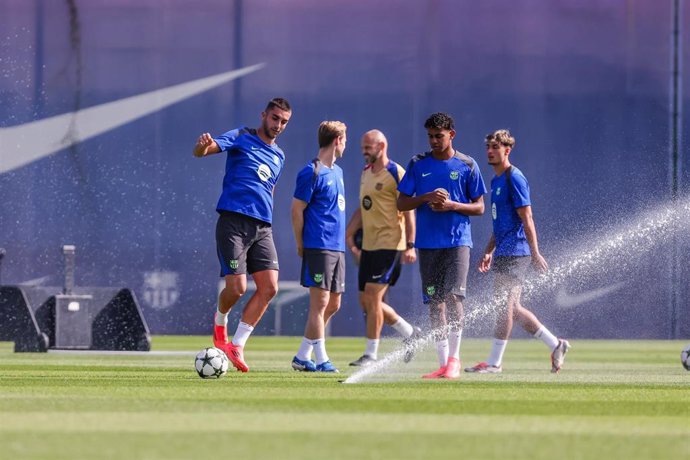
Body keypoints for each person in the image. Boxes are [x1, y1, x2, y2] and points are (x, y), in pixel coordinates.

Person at [192, 97, 292, 373]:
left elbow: (268, 188)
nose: (278, 125)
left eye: (284, 121)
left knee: (269, 287)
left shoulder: (280, 156)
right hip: (233, 222)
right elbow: (205, 150)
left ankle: (237, 345)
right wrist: (201, 147)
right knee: (236, 288)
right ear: (264, 115)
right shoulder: (241, 136)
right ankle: (220, 320)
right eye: (275, 118)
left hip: (263, 227)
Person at [465, 129, 570, 374]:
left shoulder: (515, 177)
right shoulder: (495, 181)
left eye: (495, 147)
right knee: (512, 309)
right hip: (503, 251)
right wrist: (489, 250)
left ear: (507, 150)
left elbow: (527, 217)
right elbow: (500, 222)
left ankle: (494, 363)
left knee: (504, 307)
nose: (490, 151)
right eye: (488, 147)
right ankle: (556, 344)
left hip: (517, 252)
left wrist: (535, 253)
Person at [397, 113, 486, 379]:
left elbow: (480, 207)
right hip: (428, 244)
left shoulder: (467, 164)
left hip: (458, 242)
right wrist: (426, 197)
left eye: (439, 136)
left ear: (452, 135)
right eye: (431, 136)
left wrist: (451, 206)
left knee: (454, 297)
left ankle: (455, 360)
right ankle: (442, 363)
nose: (434, 141)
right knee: (435, 303)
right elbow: (401, 203)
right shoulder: (417, 163)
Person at [345, 130, 422, 367]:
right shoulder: (365, 172)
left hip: (390, 244)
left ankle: (370, 354)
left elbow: (408, 210)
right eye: (363, 147)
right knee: (366, 302)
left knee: (373, 298)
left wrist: (410, 245)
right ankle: (411, 333)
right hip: (369, 244)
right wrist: (349, 234)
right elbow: (364, 206)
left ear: (382, 145)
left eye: (368, 147)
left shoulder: (396, 172)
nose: (364, 151)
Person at [290, 121, 348, 373]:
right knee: (320, 303)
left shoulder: (338, 171)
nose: (345, 145)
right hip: (318, 245)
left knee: (334, 304)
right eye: (344, 140)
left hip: (337, 247)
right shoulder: (310, 172)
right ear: (337, 140)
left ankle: (303, 354)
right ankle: (322, 358)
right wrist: (301, 243)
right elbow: (296, 211)